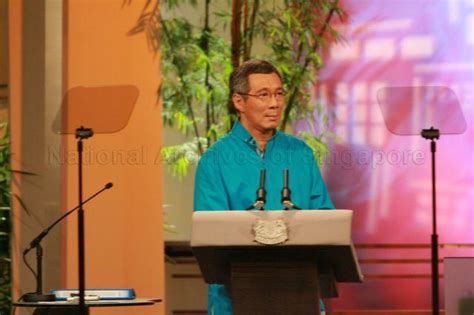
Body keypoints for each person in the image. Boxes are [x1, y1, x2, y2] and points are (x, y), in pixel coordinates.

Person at [194, 60, 334, 314]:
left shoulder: (300, 153)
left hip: (300, 293)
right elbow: (211, 238)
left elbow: (325, 221)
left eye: (279, 93)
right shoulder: (215, 160)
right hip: (236, 300)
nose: (275, 103)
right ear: (239, 102)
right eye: (264, 95)